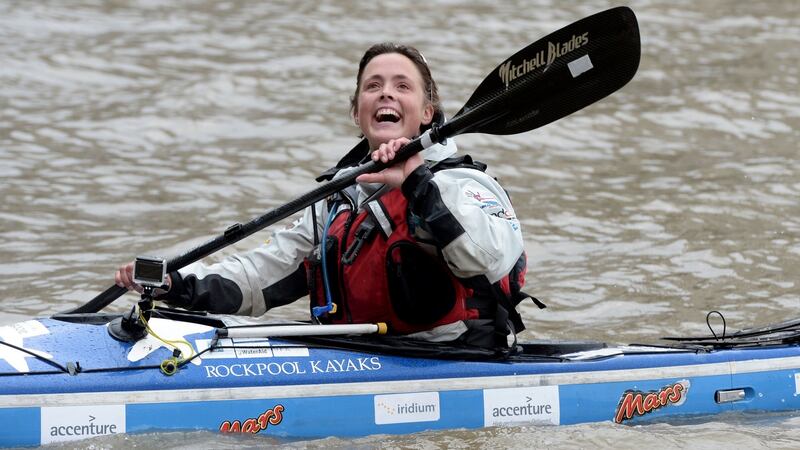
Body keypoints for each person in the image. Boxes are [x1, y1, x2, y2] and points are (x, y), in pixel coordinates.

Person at [115, 42, 534, 350]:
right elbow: (260, 277)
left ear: (427, 113)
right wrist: (175, 282)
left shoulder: (462, 184)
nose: (386, 93)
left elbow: (488, 259)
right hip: (362, 356)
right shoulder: (338, 199)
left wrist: (416, 183)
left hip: (454, 359)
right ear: (357, 111)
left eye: (402, 85)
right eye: (373, 86)